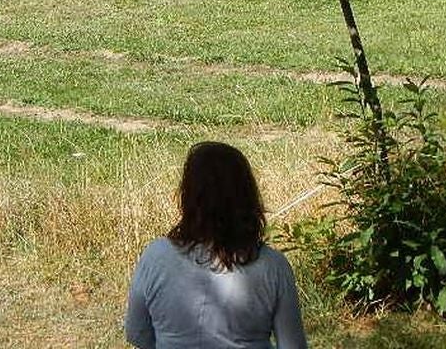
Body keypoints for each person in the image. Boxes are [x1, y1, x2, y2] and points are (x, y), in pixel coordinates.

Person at [124, 142, 308, 349]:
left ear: (188, 195)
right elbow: (292, 345)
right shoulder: (273, 266)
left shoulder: (155, 256)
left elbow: (137, 333)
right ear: (247, 196)